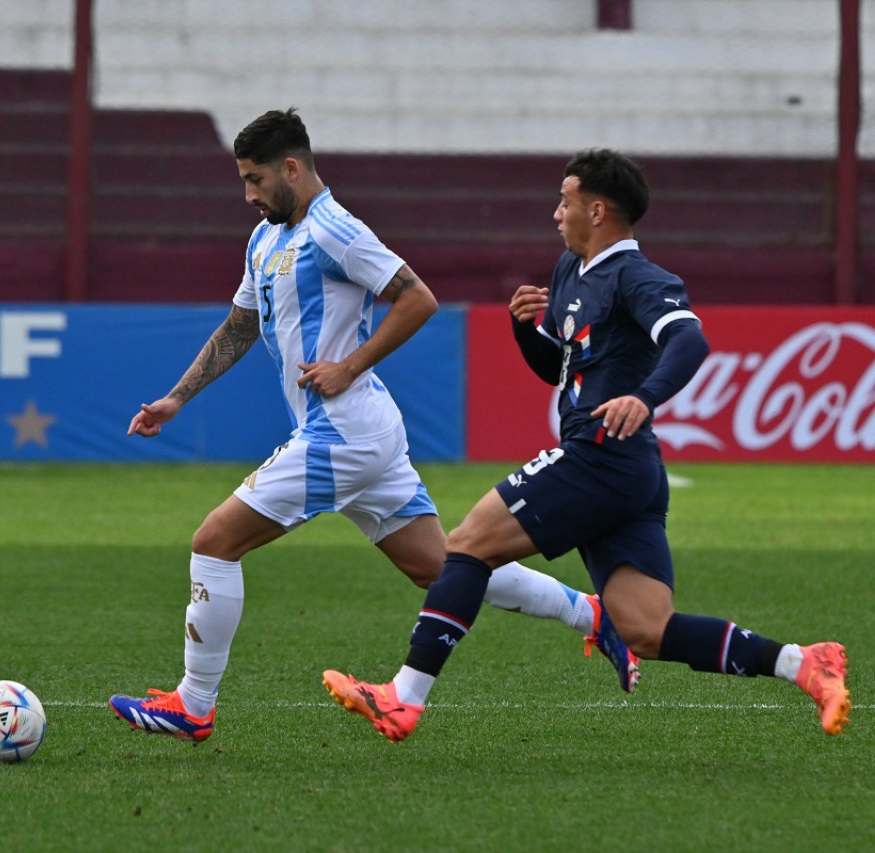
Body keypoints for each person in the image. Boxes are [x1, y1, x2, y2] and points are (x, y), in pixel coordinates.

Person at [108, 111, 639, 743]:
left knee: (213, 542)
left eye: (255, 179)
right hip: (361, 433)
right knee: (440, 567)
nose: (248, 194)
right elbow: (239, 327)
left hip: (343, 434)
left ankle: (193, 706)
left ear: (292, 168)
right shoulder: (265, 240)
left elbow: (418, 297)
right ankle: (597, 615)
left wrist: (349, 365)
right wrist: (176, 399)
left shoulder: (336, 230)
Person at [322, 148, 851, 742]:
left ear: (597, 210)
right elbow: (560, 370)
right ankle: (803, 663)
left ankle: (404, 696)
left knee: (467, 544)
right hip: (625, 472)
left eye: (564, 201)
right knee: (647, 629)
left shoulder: (638, 276)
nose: (556, 213)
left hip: (603, 456)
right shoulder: (571, 271)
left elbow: (690, 340)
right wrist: (527, 330)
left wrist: (645, 397)